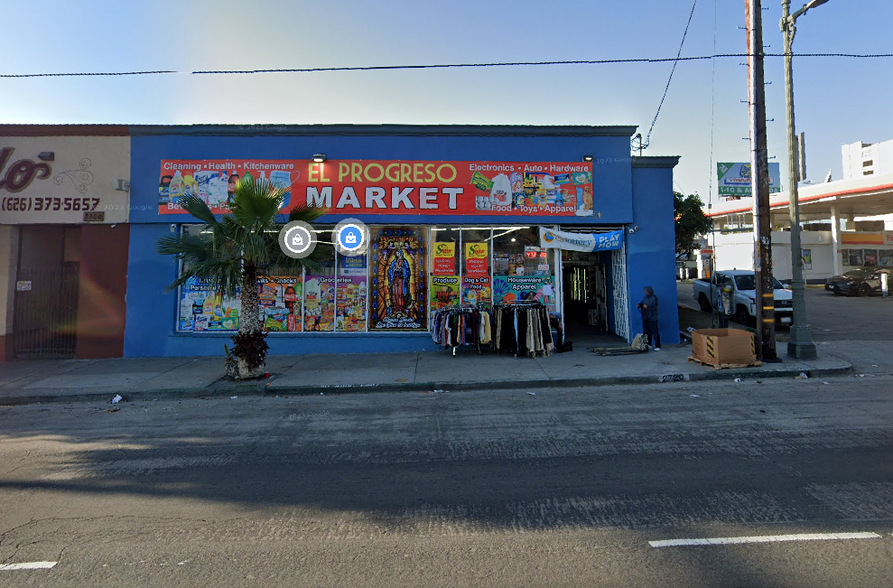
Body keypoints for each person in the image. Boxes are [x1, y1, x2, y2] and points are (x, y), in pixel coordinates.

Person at [636, 285, 660, 351]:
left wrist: (647, 307)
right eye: (645, 291)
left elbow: (654, 307)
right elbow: (642, 303)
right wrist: (639, 305)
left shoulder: (654, 298)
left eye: (646, 291)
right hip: (646, 317)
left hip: (653, 317)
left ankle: (657, 345)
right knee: (647, 331)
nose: (645, 292)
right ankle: (649, 344)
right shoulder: (646, 298)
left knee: (654, 331)